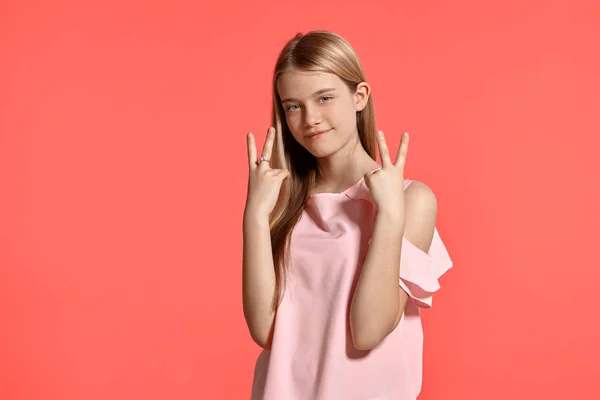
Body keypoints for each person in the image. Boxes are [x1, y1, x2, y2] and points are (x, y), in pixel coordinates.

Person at [242, 30, 453, 400]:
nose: (310, 118)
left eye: (324, 98)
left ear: (360, 96)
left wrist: (389, 214)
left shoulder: (411, 200)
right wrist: (255, 217)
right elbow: (265, 332)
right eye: (293, 105)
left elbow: (368, 330)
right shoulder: (283, 200)